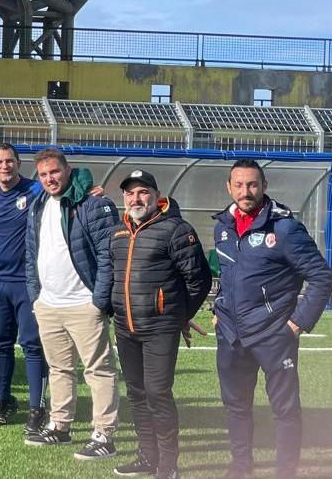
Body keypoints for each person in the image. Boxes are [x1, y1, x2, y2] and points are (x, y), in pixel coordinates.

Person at [212, 159, 332, 479]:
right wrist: (218, 310)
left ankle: (285, 472)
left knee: (284, 410)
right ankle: (241, 468)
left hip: (273, 336)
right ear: (228, 187)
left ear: (264, 186)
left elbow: (321, 277)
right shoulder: (222, 225)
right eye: (238, 185)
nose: (245, 191)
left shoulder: (284, 228)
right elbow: (228, 275)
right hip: (232, 336)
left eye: (252, 184)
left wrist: (296, 325)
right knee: (236, 407)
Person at [106, 170, 212, 479]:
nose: (136, 199)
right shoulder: (119, 232)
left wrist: (177, 316)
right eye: (130, 193)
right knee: (137, 394)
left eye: (142, 192)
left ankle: (168, 464)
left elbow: (199, 280)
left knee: (157, 393)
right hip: (126, 328)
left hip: (159, 330)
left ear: (156, 195)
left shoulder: (176, 230)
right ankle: (146, 457)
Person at [23, 147, 122, 461]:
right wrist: (35, 295)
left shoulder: (93, 203)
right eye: (43, 174)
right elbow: (30, 253)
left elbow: (109, 255)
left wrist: (99, 300)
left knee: (99, 370)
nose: (50, 179)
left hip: (83, 303)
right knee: (59, 368)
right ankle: (60, 425)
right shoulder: (38, 204)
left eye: (54, 171)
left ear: (67, 170)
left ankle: (104, 434)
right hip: (48, 304)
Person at [0, 143, 47, 432]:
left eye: (10, 161)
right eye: (0, 162)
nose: (5, 166)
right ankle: (2, 401)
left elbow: (68, 187)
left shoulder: (36, 191)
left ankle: (37, 407)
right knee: (1, 345)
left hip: (27, 283)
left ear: (18, 164)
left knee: (32, 345)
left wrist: (89, 191)